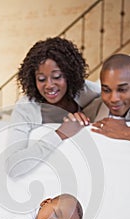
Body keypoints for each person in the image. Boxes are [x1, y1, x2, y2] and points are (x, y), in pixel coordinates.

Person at [5, 36, 101, 178]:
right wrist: (60, 134)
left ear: (69, 75)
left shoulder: (86, 91)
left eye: (57, 77)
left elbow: (115, 100)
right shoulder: (26, 108)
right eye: (41, 79)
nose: (49, 85)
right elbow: (13, 167)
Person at [83, 53, 130, 145]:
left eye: (122, 89)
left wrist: (125, 131)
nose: (113, 99)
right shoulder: (96, 107)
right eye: (106, 90)